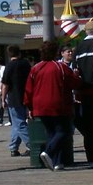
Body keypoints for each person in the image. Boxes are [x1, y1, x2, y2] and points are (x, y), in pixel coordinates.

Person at [24, 40, 80, 171]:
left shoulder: (35, 69)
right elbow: (74, 83)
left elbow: (28, 90)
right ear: (56, 53)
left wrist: (29, 107)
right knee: (64, 131)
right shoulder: (61, 67)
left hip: (39, 106)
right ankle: (48, 152)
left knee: (51, 133)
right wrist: (77, 76)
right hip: (58, 104)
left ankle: (57, 162)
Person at [73, 18, 93, 168]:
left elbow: (75, 71)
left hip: (86, 92)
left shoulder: (79, 48)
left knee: (90, 128)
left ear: (86, 31)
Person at [0, 45, 32, 157]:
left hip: (14, 97)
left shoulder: (9, 66)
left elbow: (5, 85)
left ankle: (32, 144)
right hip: (26, 96)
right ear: (19, 53)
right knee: (16, 123)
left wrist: (3, 99)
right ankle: (14, 147)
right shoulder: (26, 64)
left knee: (19, 122)